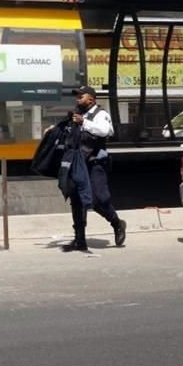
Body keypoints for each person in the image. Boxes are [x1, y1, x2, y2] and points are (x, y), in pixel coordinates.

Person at [62, 86, 127, 252]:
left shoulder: (101, 114)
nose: (77, 99)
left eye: (80, 96)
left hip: (95, 164)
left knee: (98, 200)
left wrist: (84, 122)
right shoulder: (78, 115)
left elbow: (106, 131)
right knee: (76, 200)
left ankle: (117, 223)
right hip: (78, 164)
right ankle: (79, 240)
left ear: (91, 99)